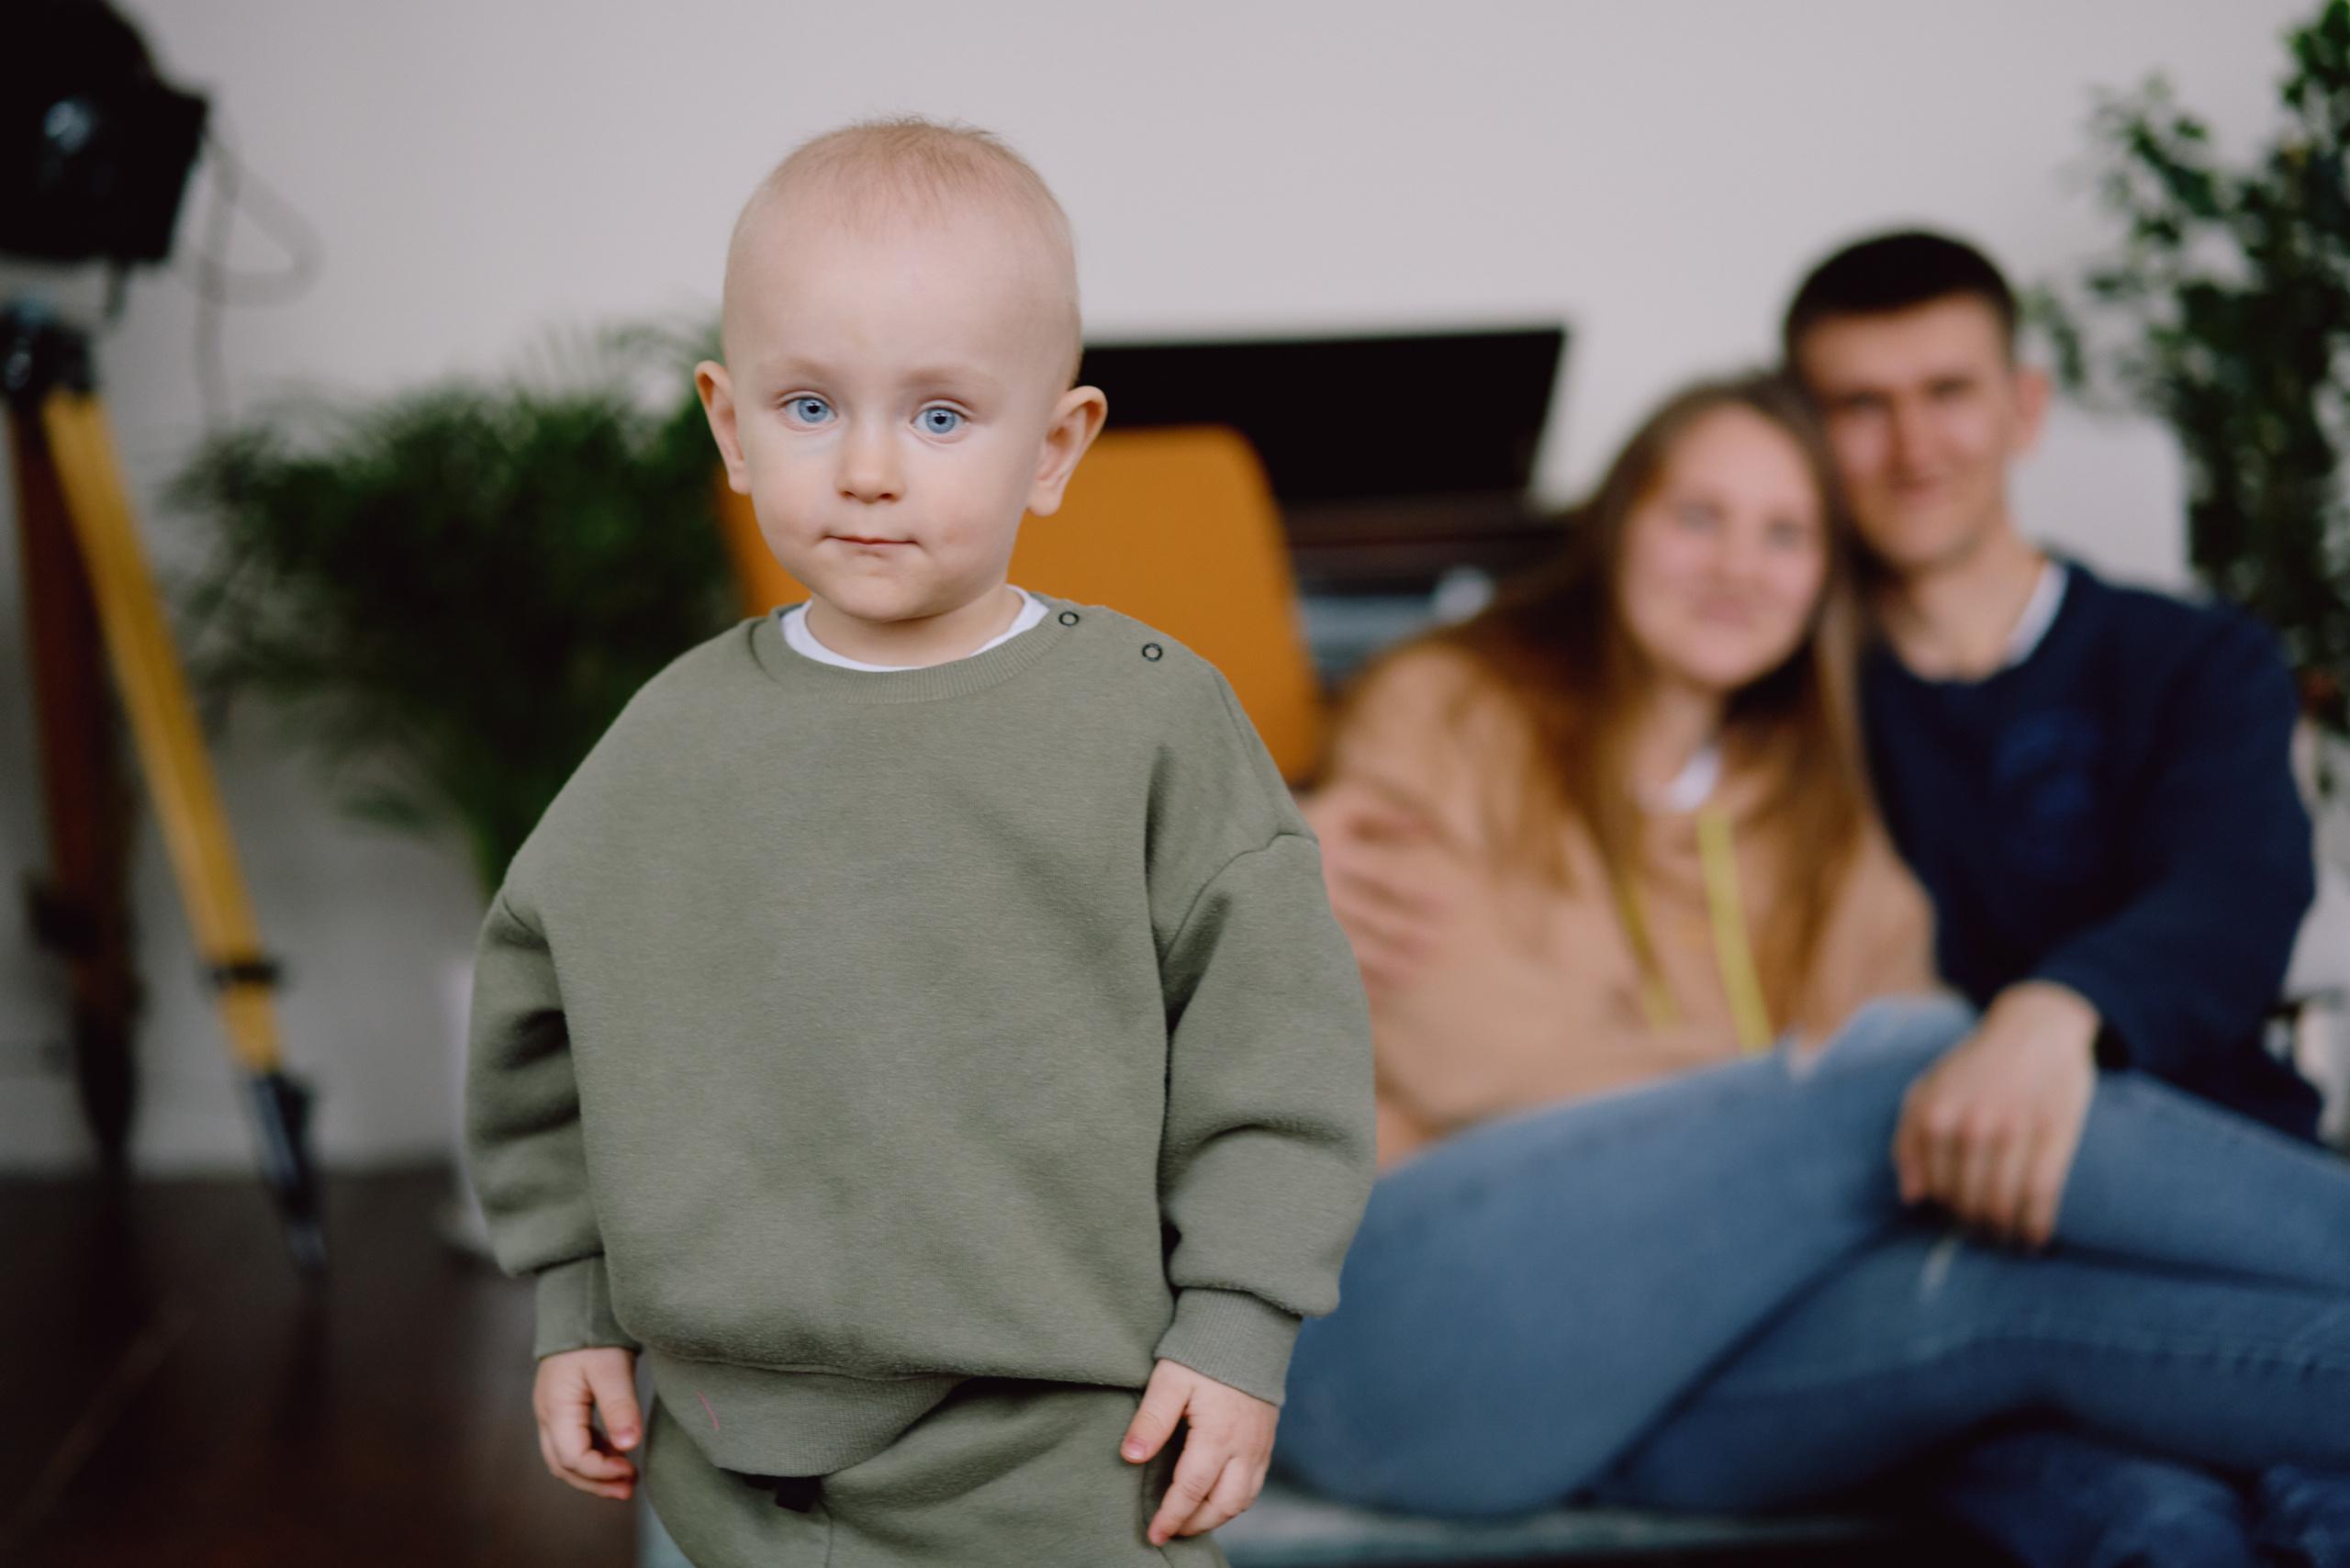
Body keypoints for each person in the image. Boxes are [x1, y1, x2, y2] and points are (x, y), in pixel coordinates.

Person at [464, 118, 1374, 1568]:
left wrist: (1240, 1324)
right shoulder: (666, 743)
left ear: (1056, 445)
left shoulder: (1151, 725)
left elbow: (1276, 1061)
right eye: (811, 406)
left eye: (941, 416)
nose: (871, 468)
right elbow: (545, 1034)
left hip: (1068, 1448)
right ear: (730, 426)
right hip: (730, 1456)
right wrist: (573, 1297)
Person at [1272, 372, 2350, 1554]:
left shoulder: (1817, 804)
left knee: (2028, 1306)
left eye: (1785, 534)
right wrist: (1779, 1101)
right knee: (1927, 1069)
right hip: (1391, 1333)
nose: (1738, 566)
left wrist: (1781, 1123)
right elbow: (1448, 1030)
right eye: (1698, 518)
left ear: (1826, 577)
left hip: (1684, 1385)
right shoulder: (1448, 708)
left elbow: (1883, 1017)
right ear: (1619, 524)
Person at [1774, 229, 2333, 1565]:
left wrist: (2058, 1010)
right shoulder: (1772, 704)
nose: (1913, 446)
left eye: (1948, 392)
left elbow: (2236, 892)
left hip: (2221, 1188)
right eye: (1861, 406)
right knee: (2154, 1528)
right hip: (1956, 1251)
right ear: (1803, 431)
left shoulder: (2197, 661)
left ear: (2022, 406)